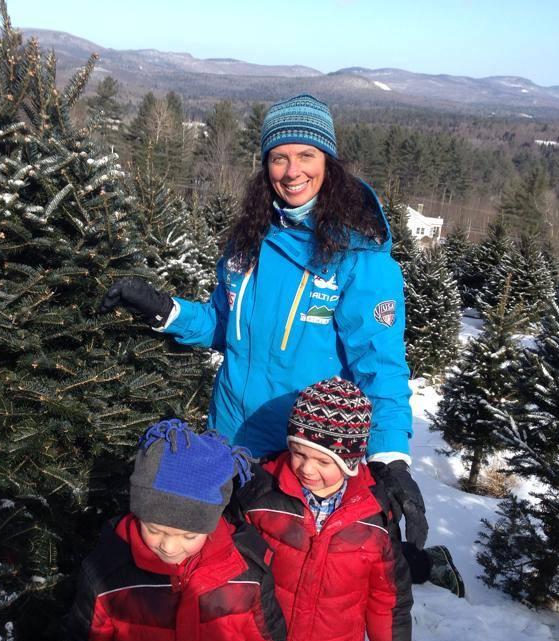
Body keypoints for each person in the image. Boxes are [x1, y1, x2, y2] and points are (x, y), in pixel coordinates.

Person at [100, 92, 429, 557]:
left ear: (329, 162)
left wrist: (390, 458)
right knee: (218, 577)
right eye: (279, 158)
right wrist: (165, 310)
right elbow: (223, 324)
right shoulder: (247, 242)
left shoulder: (359, 258)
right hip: (228, 443)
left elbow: (381, 367)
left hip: (300, 463)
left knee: (279, 588)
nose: (292, 171)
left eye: (306, 155)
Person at [68, 419, 297, 641]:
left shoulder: (245, 574)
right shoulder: (109, 575)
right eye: (155, 529)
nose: (170, 547)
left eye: (189, 536)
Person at [232, 377, 412, 641]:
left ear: (350, 461)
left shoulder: (372, 516)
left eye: (323, 461)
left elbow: (389, 592)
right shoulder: (262, 497)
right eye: (298, 453)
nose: (306, 468)